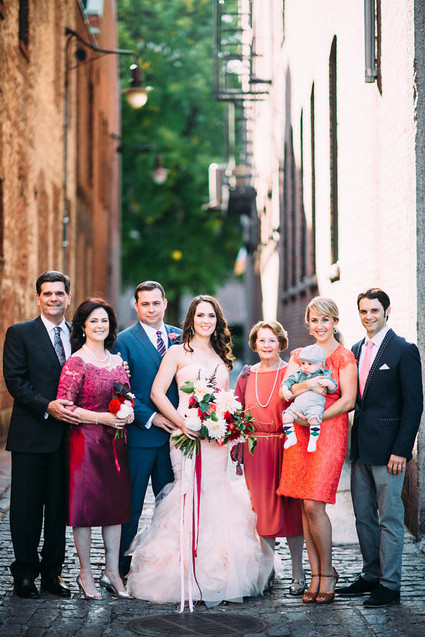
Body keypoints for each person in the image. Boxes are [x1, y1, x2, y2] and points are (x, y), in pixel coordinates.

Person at [126, 295, 274, 608]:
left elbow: (226, 398)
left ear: (217, 321)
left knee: (217, 493)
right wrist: (181, 422)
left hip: (215, 440)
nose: (206, 321)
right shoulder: (177, 352)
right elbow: (156, 392)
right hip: (185, 435)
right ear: (191, 319)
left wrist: (229, 427)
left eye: (211, 316)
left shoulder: (221, 355)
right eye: (200, 315)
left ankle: (220, 571)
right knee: (189, 492)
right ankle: (182, 570)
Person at [337, 288, 423, 608]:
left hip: (390, 453)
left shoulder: (403, 350)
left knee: (390, 518)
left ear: (387, 311)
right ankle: (371, 574)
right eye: (363, 311)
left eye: (374, 310)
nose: (368, 316)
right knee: (363, 517)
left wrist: (402, 449)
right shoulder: (356, 349)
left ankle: (390, 584)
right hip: (360, 448)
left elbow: (414, 405)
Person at [3, 270, 78, 599]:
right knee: (26, 509)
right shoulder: (20, 333)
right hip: (32, 435)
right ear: (38, 298)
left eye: (59, 293)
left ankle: (52, 574)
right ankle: (24, 575)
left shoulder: (78, 335)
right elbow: (15, 380)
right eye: (47, 293)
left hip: (68, 437)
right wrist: (47, 406)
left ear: (68, 298)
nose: (53, 299)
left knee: (58, 509)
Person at [277, 297, 357, 604]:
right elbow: (285, 392)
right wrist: (309, 387)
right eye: (314, 320)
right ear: (307, 324)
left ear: (335, 322)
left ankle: (328, 574)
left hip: (329, 432)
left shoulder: (344, 356)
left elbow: (348, 400)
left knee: (314, 504)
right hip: (298, 434)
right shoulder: (298, 355)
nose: (320, 326)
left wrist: (317, 417)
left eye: (325, 319)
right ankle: (315, 575)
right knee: (303, 505)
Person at [57, 298, 133, 600]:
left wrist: (128, 412)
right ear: (83, 327)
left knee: (115, 509)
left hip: (115, 443)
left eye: (105, 321)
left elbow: (126, 396)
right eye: (94, 321)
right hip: (86, 443)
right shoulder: (77, 362)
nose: (100, 326)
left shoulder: (117, 361)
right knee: (85, 509)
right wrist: (103, 418)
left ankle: (112, 572)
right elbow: (65, 406)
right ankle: (85, 573)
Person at [113, 281, 182, 579]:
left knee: (170, 504)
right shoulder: (123, 341)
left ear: (164, 303)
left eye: (156, 303)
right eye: (145, 304)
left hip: (177, 438)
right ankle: (120, 567)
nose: (151, 309)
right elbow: (121, 390)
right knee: (132, 505)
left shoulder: (181, 337)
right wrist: (152, 417)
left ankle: (164, 565)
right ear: (136, 306)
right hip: (141, 436)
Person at [234, 321, 305, 595]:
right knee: (262, 513)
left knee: (292, 511)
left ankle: (298, 573)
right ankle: (267, 569)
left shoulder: (292, 373)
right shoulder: (246, 375)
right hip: (256, 452)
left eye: (272, 340)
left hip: (287, 447)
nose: (266, 345)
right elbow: (237, 414)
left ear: (280, 343)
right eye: (261, 340)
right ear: (254, 343)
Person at [281, 344, 338, 452]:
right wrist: (285, 390)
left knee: (314, 420)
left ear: (320, 365)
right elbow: (288, 381)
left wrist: (328, 383)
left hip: (314, 405)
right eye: (303, 363)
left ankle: (313, 440)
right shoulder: (299, 373)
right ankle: (291, 437)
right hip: (297, 405)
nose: (305, 366)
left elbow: (333, 388)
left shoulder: (324, 374)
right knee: (286, 417)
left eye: (310, 364)